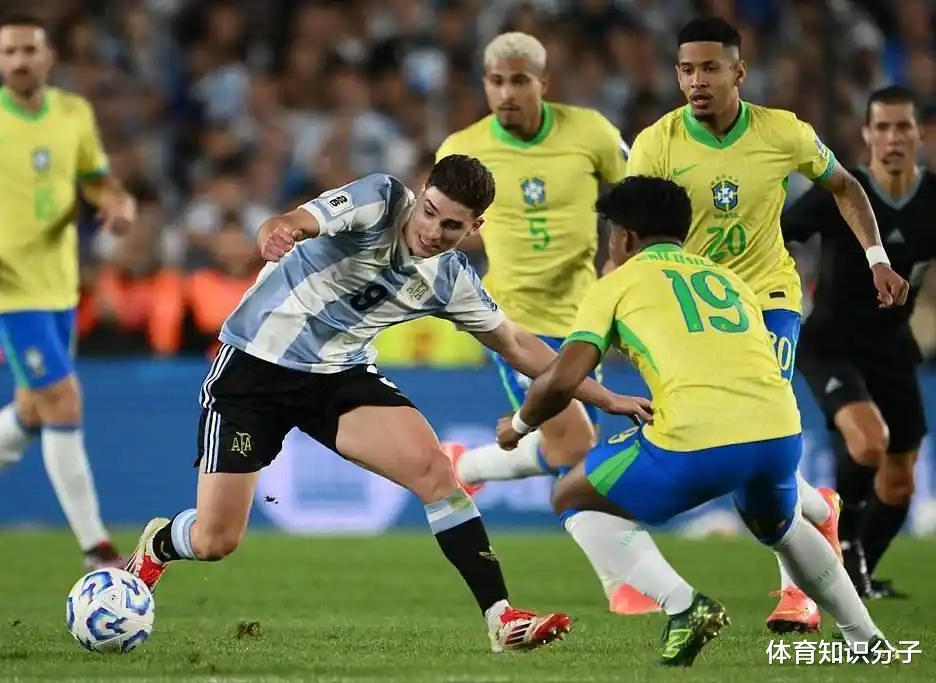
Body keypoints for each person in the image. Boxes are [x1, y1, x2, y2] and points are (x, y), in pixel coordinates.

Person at [125, 155, 653, 652]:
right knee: (216, 540)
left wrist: (603, 396)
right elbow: (299, 221)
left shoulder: (450, 279)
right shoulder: (380, 200)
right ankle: (159, 544)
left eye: (452, 226)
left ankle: (502, 618)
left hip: (337, 377)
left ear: (474, 228)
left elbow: (518, 345)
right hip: (253, 370)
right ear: (420, 195)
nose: (433, 231)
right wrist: (278, 230)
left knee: (436, 472)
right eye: (430, 212)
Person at [497, 176, 892, 666]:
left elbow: (561, 378)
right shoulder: (728, 280)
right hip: (779, 434)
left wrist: (518, 426)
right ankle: (867, 639)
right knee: (781, 527)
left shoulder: (617, 283)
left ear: (625, 237)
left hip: (695, 442)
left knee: (571, 496)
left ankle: (684, 606)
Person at [625, 16, 910, 634]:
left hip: (767, 298)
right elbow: (633, 231)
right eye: (686, 70)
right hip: (695, 309)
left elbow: (845, 186)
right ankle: (820, 509)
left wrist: (877, 258)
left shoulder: (782, 131)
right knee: (725, 445)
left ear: (739, 71)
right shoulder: (656, 143)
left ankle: (796, 594)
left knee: (762, 425)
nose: (697, 81)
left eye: (710, 68)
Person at [435, 31, 656, 615]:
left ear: (543, 83)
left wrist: (618, 261)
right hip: (514, 324)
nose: (506, 93)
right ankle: (621, 584)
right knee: (577, 445)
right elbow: (438, 226)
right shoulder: (463, 148)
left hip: (590, 316)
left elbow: (636, 195)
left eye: (519, 81)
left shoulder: (591, 132)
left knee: (572, 447)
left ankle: (467, 464)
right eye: (495, 81)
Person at [0, 13, 136, 570]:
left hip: (60, 285)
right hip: (7, 289)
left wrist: (115, 202)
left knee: (34, 407)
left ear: (48, 58)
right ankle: (97, 547)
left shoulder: (73, 113)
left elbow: (95, 179)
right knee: (63, 399)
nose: (20, 60)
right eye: (10, 51)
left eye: (29, 50)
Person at [785, 85, 935, 599]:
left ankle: (856, 571)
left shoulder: (932, 198)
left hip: (893, 348)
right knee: (870, 442)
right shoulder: (844, 191)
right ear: (868, 134)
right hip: (830, 343)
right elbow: (781, 231)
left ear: (919, 134)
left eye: (903, 127)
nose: (893, 138)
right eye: (883, 127)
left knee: (900, 483)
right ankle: (841, 551)